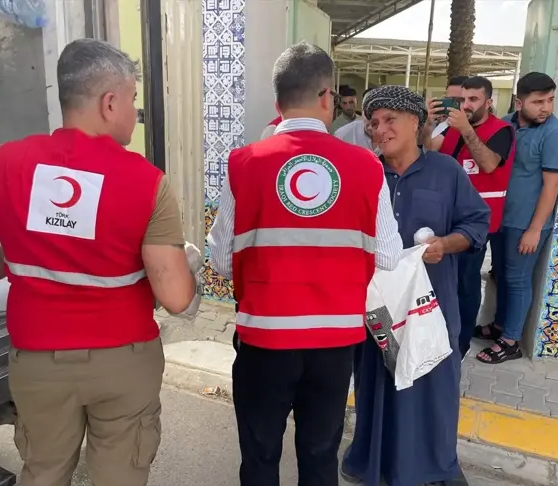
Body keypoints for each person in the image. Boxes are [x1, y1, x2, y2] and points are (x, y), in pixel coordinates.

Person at [0, 38, 197, 486]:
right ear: (110, 102)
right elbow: (177, 297)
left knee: (43, 472)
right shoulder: (147, 182)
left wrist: (28, 256)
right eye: (132, 101)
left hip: (37, 360)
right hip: (123, 362)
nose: (133, 113)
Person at [207, 42, 403, 486]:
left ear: (277, 104)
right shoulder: (367, 166)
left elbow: (220, 261)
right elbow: (389, 256)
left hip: (263, 342)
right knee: (319, 457)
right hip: (334, 346)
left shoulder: (243, 163)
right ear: (327, 96)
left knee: (259, 458)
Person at [341, 85, 490, 486]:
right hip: (380, 307)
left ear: (414, 122)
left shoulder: (446, 171)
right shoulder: (365, 174)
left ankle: (434, 465)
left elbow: (476, 223)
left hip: (432, 303)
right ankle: (375, 461)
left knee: (431, 384)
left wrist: (445, 244)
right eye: (373, 123)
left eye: (390, 120)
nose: (380, 129)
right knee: (380, 380)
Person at [475, 72, 558, 364]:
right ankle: (501, 325)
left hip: (527, 223)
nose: (546, 107)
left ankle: (511, 341)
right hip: (502, 218)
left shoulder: (554, 133)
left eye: (550, 100)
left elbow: (552, 185)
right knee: (501, 275)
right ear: (520, 102)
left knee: (517, 278)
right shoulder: (505, 124)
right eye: (538, 101)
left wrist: (535, 229)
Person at [427, 76, 515, 358]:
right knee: (442, 280)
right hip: (446, 217)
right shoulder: (453, 127)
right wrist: (427, 121)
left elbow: (489, 163)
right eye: (462, 99)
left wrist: (465, 130)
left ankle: (460, 343)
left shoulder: (501, 130)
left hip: (477, 223)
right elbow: (428, 149)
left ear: (489, 102)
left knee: (466, 283)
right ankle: (440, 335)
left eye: (473, 100)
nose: (466, 105)